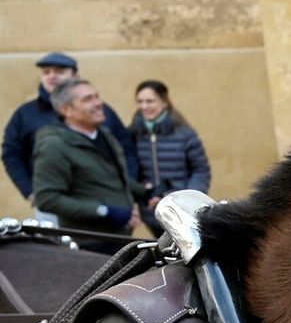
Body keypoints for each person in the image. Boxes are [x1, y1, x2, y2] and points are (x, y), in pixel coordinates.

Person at [2, 52, 134, 216]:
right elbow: (11, 154)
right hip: (54, 203)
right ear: (66, 111)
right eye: (46, 72)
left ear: (75, 75)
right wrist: (30, 192)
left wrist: (127, 189)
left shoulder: (99, 110)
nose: (52, 76)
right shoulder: (25, 113)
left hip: (104, 206)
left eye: (59, 71)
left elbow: (124, 148)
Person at [31, 78, 137, 252]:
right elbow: (47, 199)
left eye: (97, 96)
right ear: (66, 110)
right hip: (90, 244)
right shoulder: (54, 145)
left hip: (120, 238)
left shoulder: (103, 134)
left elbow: (110, 176)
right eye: (88, 99)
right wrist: (104, 211)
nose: (98, 103)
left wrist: (146, 193)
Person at [130, 80, 211, 233]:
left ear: (165, 102)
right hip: (151, 212)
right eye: (140, 101)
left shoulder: (185, 134)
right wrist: (145, 193)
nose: (144, 106)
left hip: (181, 212)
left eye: (150, 101)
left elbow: (200, 170)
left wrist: (187, 200)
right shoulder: (133, 134)